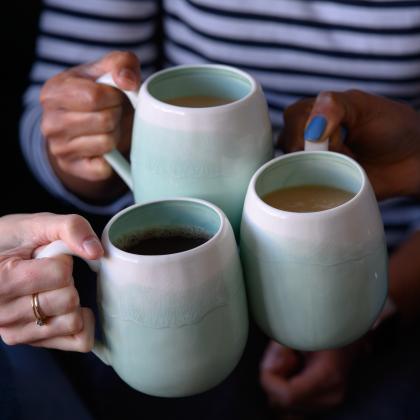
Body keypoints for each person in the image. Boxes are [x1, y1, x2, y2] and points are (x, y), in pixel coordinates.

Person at [17, 1, 420, 418]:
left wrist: (368, 309)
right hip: (166, 265)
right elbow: (41, 116)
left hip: (383, 269)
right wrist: (93, 154)